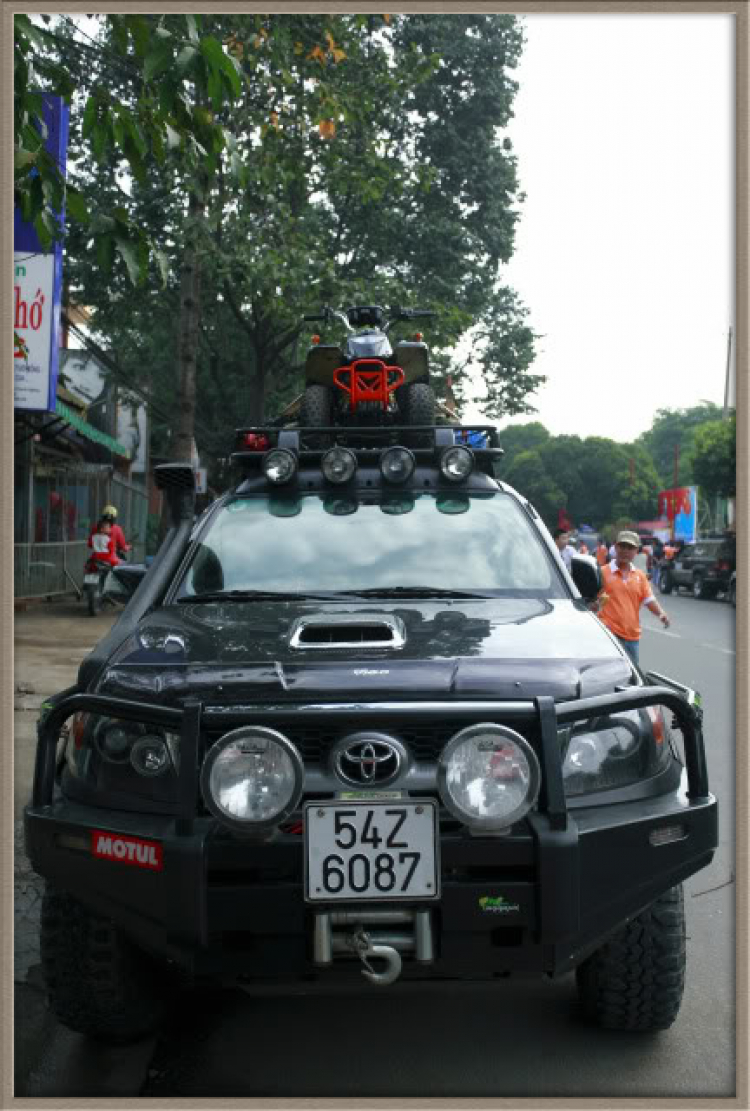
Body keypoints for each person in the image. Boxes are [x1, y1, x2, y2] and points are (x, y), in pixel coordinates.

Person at [596, 530, 670, 665]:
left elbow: (649, 599)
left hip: (632, 636)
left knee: (631, 678)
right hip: (610, 634)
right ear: (616, 547)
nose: (625, 551)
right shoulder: (602, 572)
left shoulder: (640, 576)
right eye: (622, 546)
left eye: (630, 548)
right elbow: (590, 600)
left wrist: (661, 613)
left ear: (636, 551)